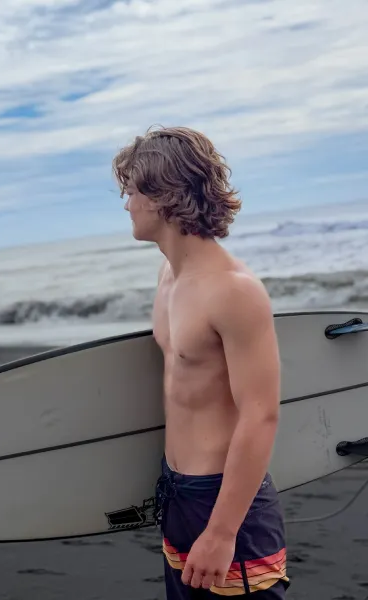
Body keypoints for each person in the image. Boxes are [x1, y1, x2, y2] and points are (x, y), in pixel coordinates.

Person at [112, 126, 290, 598]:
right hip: (176, 492)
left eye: (131, 190)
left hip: (224, 502)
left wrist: (223, 531)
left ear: (162, 195)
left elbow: (261, 413)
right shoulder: (169, 274)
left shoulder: (234, 291)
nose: (126, 203)